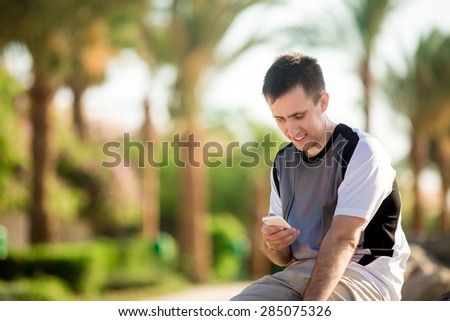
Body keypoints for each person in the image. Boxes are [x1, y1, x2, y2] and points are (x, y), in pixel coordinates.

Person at [231, 52, 410, 301]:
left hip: (365, 275)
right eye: (280, 119)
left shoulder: (362, 151)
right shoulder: (283, 163)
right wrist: (275, 244)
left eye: (298, 116)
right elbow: (283, 258)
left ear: (323, 102)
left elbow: (343, 239)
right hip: (301, 272)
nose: (291, 130)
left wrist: (310, 310)